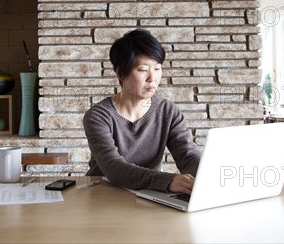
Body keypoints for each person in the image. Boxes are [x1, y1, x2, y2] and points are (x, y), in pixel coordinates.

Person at [83, 29, 201, 194]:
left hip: (149, 194)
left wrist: (206, 174)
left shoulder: (168, 112)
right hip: (105, 193)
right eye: (143, 70)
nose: (152, 78)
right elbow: (113, 167)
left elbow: (187, 156)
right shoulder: (98, 116)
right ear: (120, 72)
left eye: (157, 69)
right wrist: (167, 181)